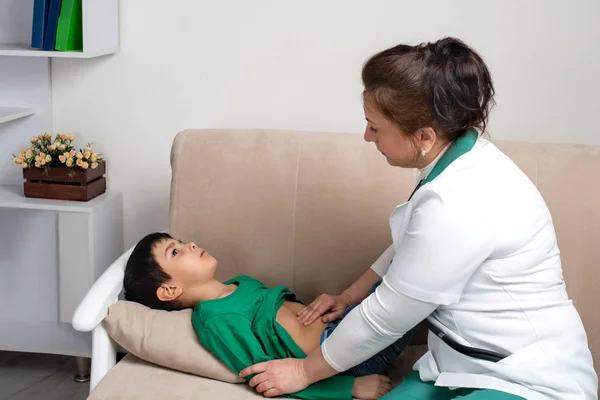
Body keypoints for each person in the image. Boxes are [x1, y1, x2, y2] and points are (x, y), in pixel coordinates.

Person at [237, 37, 599, 400]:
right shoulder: (453, 154)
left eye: (374, 127)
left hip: (525, 377)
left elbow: (386, 317)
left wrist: (303, 370)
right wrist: (348, 296)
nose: (366, 136)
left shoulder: (461, 200)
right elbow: (414, 245)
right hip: (456, 366)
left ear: (423, 135)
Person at [123, 231, 414, 400]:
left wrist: (340, 304)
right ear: (170, 289)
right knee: (415, 279)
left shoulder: (241, 283)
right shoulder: (214, 319)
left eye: (182, 242)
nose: (191, 245)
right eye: (175, 252)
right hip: (344, 357)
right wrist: (350, 387)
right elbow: (265, 375)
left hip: (344, 323)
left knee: (410, 258)